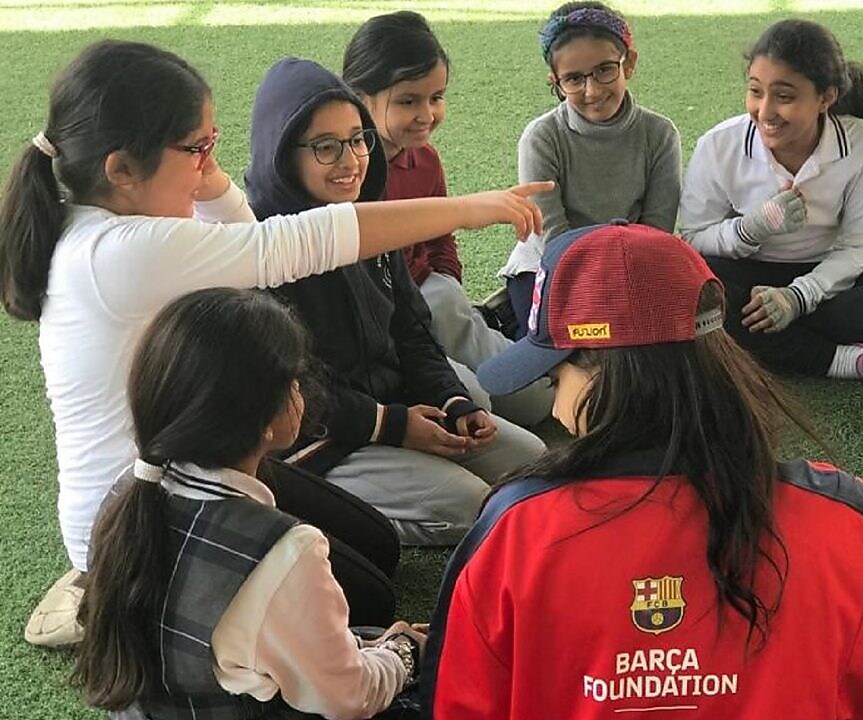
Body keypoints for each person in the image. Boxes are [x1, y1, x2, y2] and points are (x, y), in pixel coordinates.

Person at [0, 40, 550, 647]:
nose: (210, 161)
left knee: (378, 549)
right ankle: (113, 595)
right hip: (143, 518)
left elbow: (250, 246)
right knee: (367, 597)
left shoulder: (108, 224)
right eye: (197, 148)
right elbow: (283, 250)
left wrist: (205, 180)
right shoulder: (118, 253)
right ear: (122, 169)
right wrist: (464, 210)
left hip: (185, 471)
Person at [420, 222, 863, 719]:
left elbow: (459, 705)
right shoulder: (845, 520)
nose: (555, 411)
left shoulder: (514, 532)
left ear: (602, 367)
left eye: (554, 380)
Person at [72, 287, 427, 720]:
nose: (301, 390)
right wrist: (406, 651)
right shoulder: (284, 553)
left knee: (362, 637)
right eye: (292, 381)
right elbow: (349, 699)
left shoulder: (126, 493)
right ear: (262, 420)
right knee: (434, 676)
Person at [245, 57, 547, 547]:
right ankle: (323, 512)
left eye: (358, 138)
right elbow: (294, 393)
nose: (351, 160)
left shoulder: (370, 223)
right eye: (325, 146)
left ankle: (415, 459)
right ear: (283, 154)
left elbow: (412, 330)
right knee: (474, 506)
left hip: (391, 405)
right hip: (320, 443)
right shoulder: (259, 249)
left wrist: (452, 402)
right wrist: (394, 426)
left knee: (529, 459)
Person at [680, 18, 863, 380]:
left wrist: (796, 298)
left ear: (826, 97)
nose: (765, 111)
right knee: (694, 291)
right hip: (748, 276)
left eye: (785, 96)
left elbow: (859, 246)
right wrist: (751, 228)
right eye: (756, 91)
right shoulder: (718, 145)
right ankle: (843, 360)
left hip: (828, 275)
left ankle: (777, 336)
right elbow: (693, 239)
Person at [342, 11, 553, 426]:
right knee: (501, 403)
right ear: (361, 97)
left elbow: (442, 237)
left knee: (534, 398)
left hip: (432, 298)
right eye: (408, 100)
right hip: (387, 314)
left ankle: (519, 368)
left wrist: (447, 278)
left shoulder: (425, 159)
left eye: (436, 97)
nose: (427, 114)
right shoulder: (347, 172)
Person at [498, 1, 682, 338]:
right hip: (550, 267)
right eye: (574, 78)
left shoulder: (659, 134)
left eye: (604, 70)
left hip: (633, 265)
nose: (592, 90)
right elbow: (554, 239)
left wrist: (622, 286)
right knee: (560, 350)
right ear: (555, 82)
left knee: (660, 344)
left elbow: (657, 231)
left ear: (630, 64)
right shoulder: (542, 138)